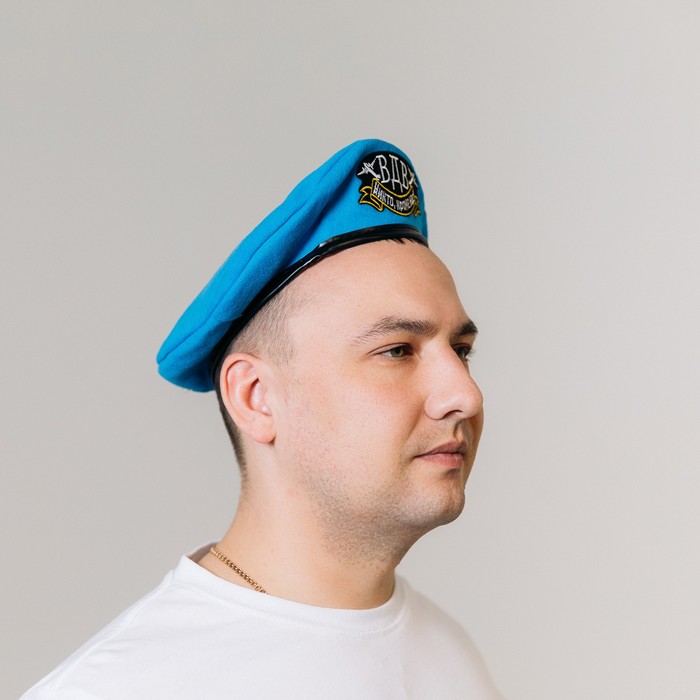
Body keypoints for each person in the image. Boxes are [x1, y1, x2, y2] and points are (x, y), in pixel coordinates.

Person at [22, 139, 502, 699]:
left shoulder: (450, 654)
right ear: (255, 397)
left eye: (460, 351)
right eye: (397, 350)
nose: (465, 395)